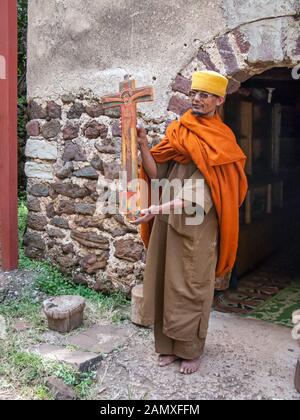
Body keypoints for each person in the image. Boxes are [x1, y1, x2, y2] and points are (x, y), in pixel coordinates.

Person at [133, 70, 248, 374]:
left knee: (191, 287)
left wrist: (155, 210)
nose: (197, 99)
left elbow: (197, 197)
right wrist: (144, 144)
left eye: (205, 95)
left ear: (219, 100)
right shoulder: (179, 131)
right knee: (164, 283)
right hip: (168, 225)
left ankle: (191, 350)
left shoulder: (220, 143)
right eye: (194, 93)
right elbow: (157, 173)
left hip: (198, 227)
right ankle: (168, 347)